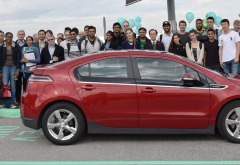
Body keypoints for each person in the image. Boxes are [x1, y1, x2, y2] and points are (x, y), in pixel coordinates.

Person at [0, 32, 21, 109]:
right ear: (5, 37)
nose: (9, 38)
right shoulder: (2, 47)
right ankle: (4, 103)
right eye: (8, 37)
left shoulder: (15, 46)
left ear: (12, 37)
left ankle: (12, 103)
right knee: (5, 86)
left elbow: (19, 58)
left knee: (13, 86)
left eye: (10, 37)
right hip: (5, 68)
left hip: (13, 67)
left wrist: (18, 70)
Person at [15, 30, 27, 105]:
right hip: (17, 68)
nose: (21, 35)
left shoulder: (27, 44)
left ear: (24, 35)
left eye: (22, 34)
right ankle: (18, 100)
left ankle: (25, 100)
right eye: (19, 34)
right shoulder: (14, 44)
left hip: (26, 68)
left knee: (26, 85)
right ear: (17, 35)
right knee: (17, 84)